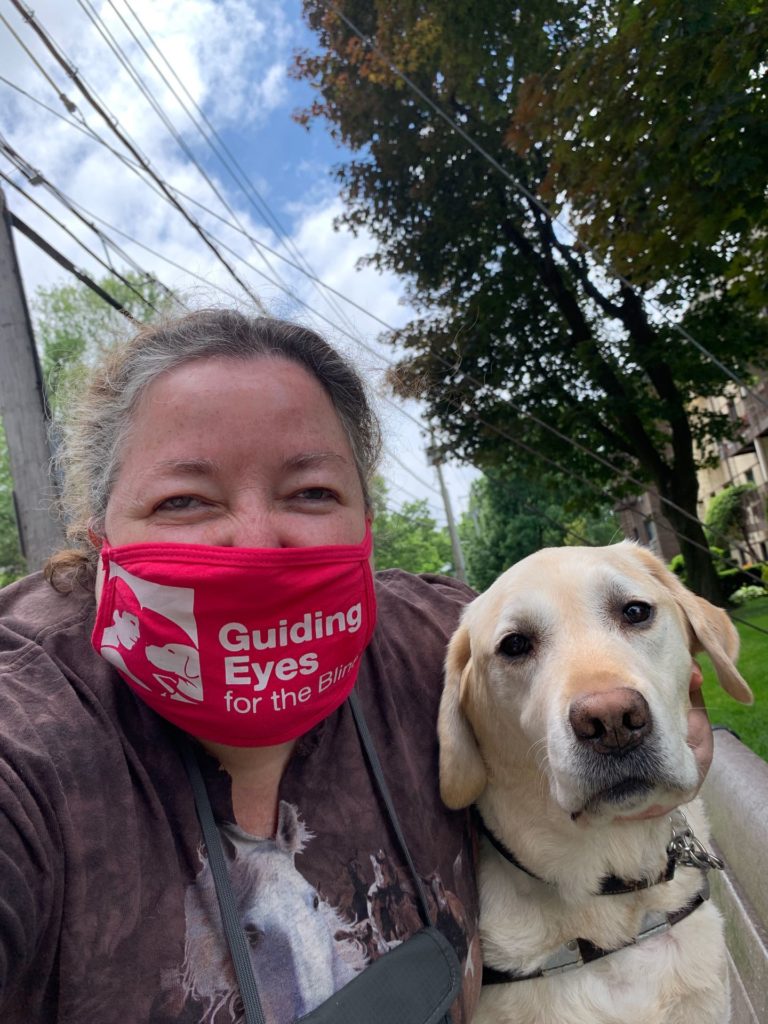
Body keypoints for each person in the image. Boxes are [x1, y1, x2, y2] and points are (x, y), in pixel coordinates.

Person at [0, 310, 713, 1024]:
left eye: (311, 492)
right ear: (100, 540)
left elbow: (571, 629)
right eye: (182, 500)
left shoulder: (430, 639)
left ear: (366, 525)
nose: (257, 546)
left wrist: (655, 701)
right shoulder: (28, 719)